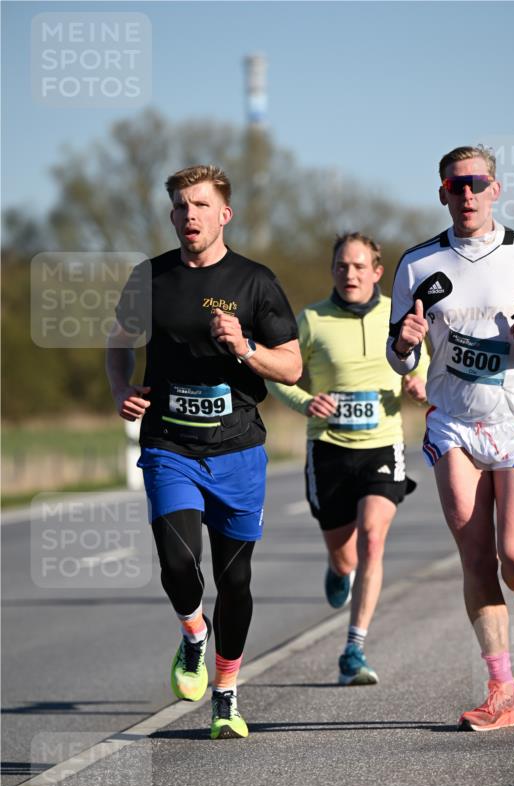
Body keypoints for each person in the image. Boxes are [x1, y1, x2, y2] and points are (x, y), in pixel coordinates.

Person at [387, 144, 514, 732]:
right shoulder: (418, 265)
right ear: (442, 193)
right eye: (454, 185)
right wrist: (406, 343)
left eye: (476, 183)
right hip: (452, 425)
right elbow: (399, 358)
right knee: (476, 558)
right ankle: (502, 689)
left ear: (496, 189)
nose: (465, 194)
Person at [106, 164, 301, 740]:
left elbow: (290, 364)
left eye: (199, 205)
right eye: (179, 206)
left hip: (239, 449)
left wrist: (244, 348)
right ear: (172, 215)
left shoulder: (256, 282)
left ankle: (226, 694)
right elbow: (119, 340)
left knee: (235, 582)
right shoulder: (150, 278)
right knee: (177, 562)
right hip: (170, 444)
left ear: (224, 214)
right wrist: (121, 389)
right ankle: (194, 634)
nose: (188, 215)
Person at [267, 232, 427, 685]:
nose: (350, 274)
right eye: (342, 266)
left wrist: (420, 386)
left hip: (383, 444)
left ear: (378, 272)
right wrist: (305, 402)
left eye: (359, 266)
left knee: (373, 539)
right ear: (333, 271)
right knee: (345, 557)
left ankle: (353, 649)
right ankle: (338, 571)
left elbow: (422, 364)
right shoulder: (312, 320)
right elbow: (279, 374)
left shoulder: (397, 317)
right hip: (329, 449)